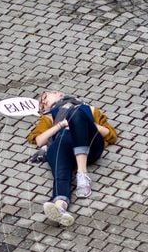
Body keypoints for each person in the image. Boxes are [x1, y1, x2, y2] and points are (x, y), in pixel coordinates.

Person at [26, 91, 117, 226]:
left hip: (90, 146)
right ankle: (60, 205)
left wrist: (83, 124)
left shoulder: (90, 110)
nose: (43, 101)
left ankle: (82, 173)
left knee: (77, 114)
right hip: (64, 147)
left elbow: (110, 134)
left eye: (45, 96)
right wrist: (61, 125)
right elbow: (39, 140)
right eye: (41, 103)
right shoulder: (48, 117)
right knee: (58, 147)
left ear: (60, 94)